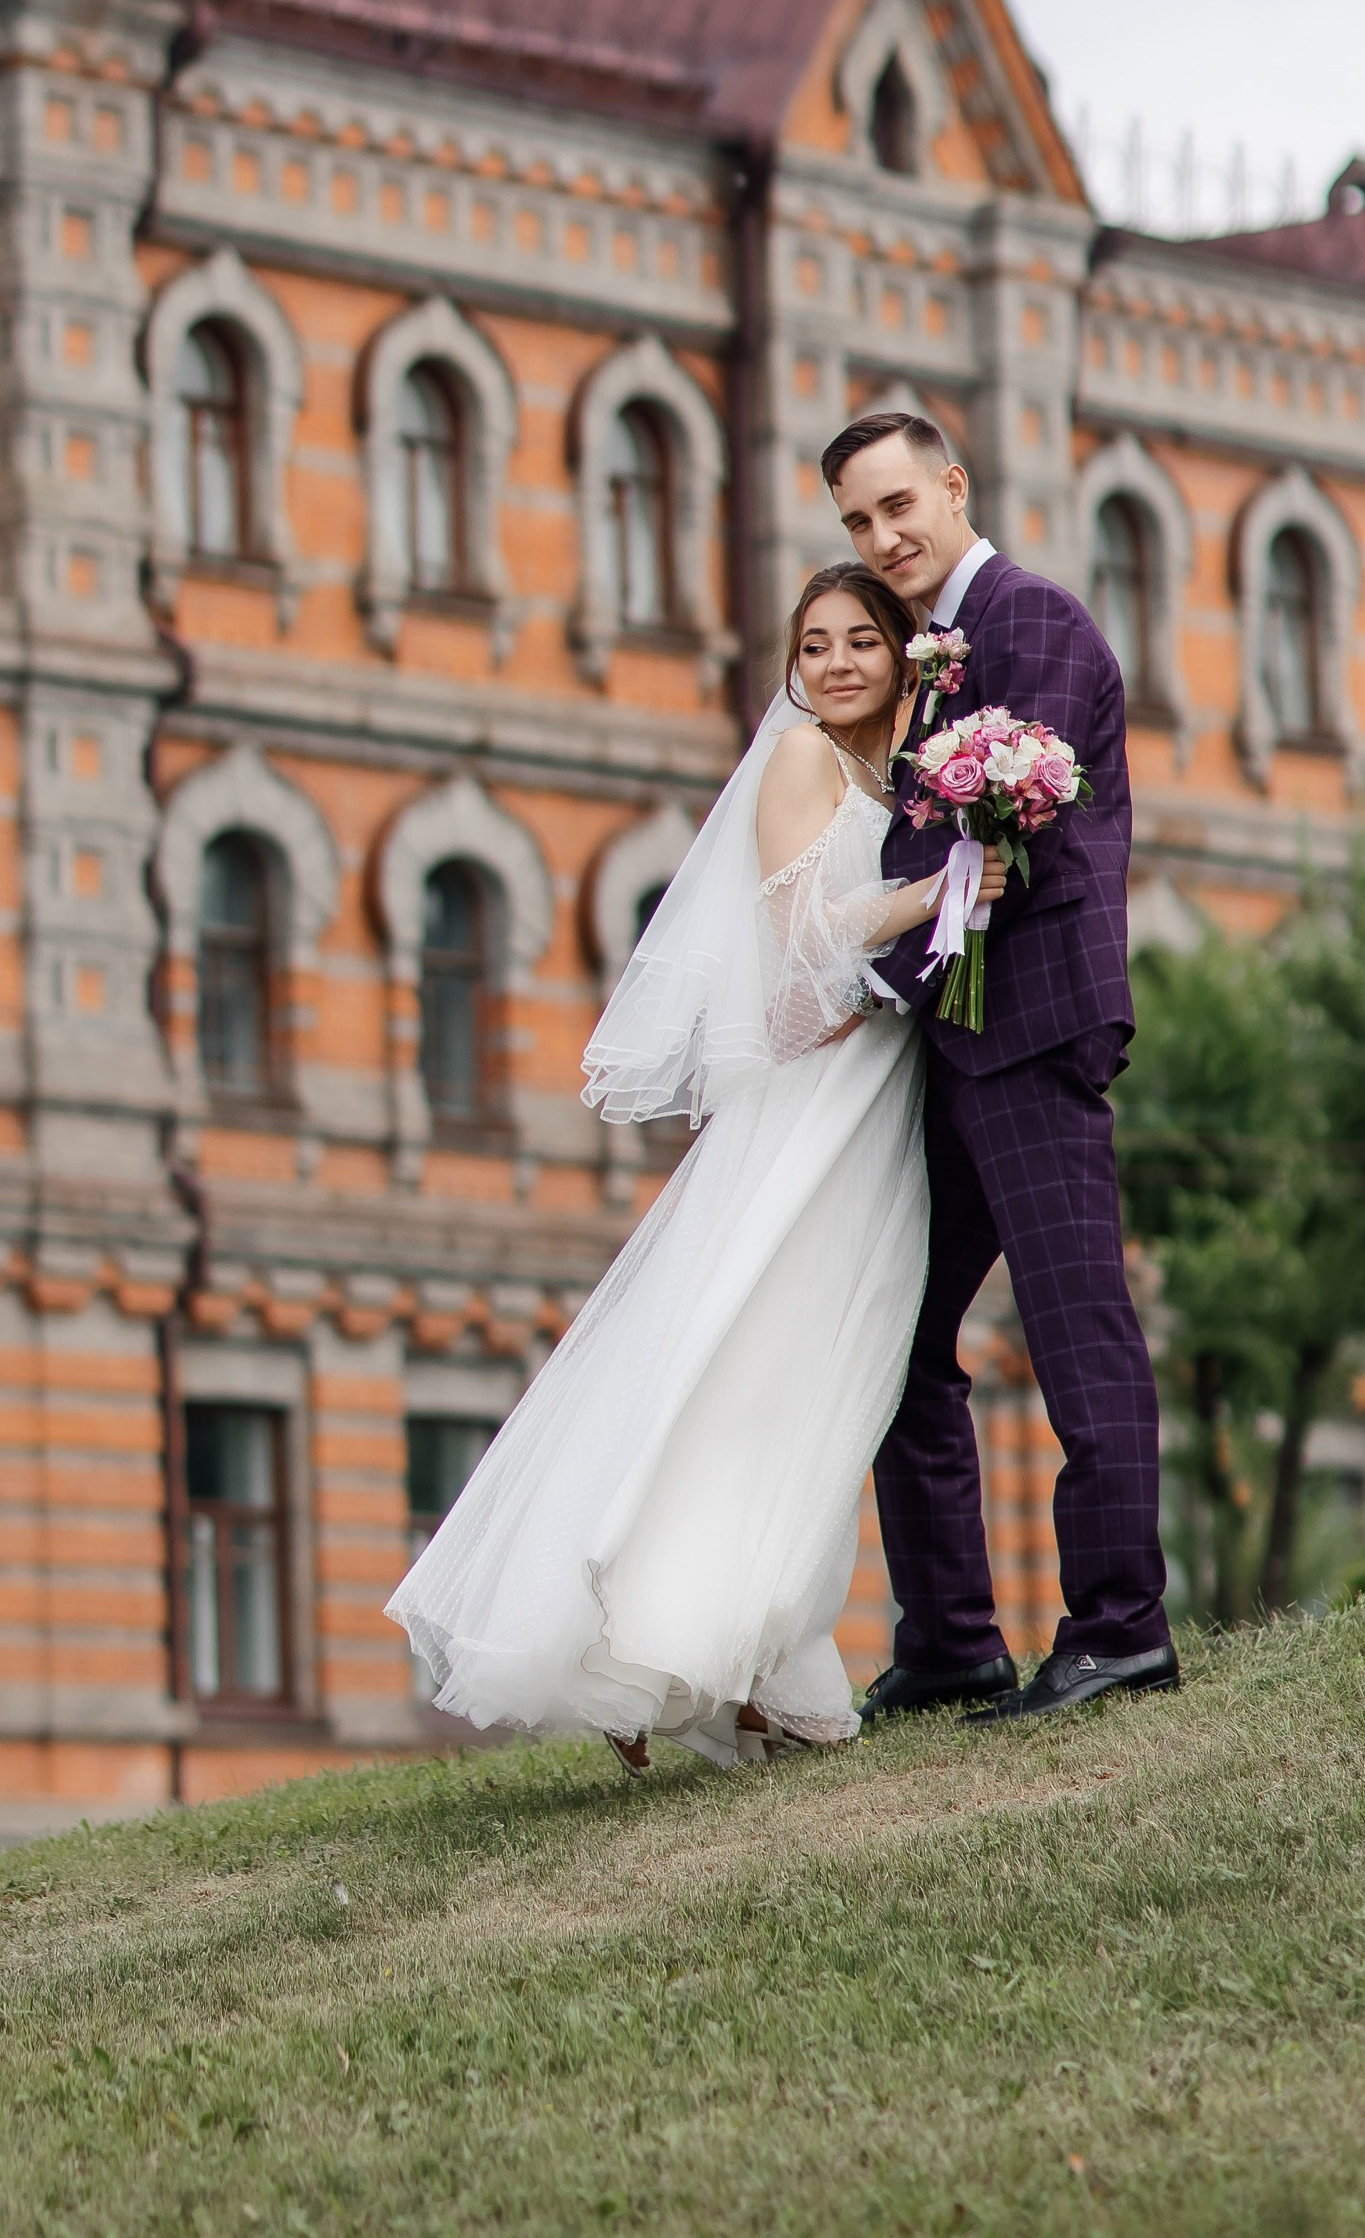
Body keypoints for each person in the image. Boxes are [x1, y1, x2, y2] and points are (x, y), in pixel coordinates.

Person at [385, 563, 1003, 1771]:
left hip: (876, 1096)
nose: (835, 663)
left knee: (825, 1374)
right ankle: (673, 1643)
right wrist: (940, 890)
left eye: (859, 641)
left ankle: (753, 1657)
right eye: (812, 645)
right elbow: (800, 934)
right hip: (814, 1102)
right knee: (757, 1358)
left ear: (900, 655)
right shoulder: (801, 762)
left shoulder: (900, 778)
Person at [825, 409, 1176, 1726]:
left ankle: (1120, 1628)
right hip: (959, 1037)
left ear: (952, 486)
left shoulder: (1028, 621)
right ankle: (952, 1641)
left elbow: (998, 851)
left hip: (1026, 1025)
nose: (883, 538)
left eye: (898, 505)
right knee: (899, 1336)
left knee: (1076, 1325)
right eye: (857, 522)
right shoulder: (942, 648)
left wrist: (870, 981)